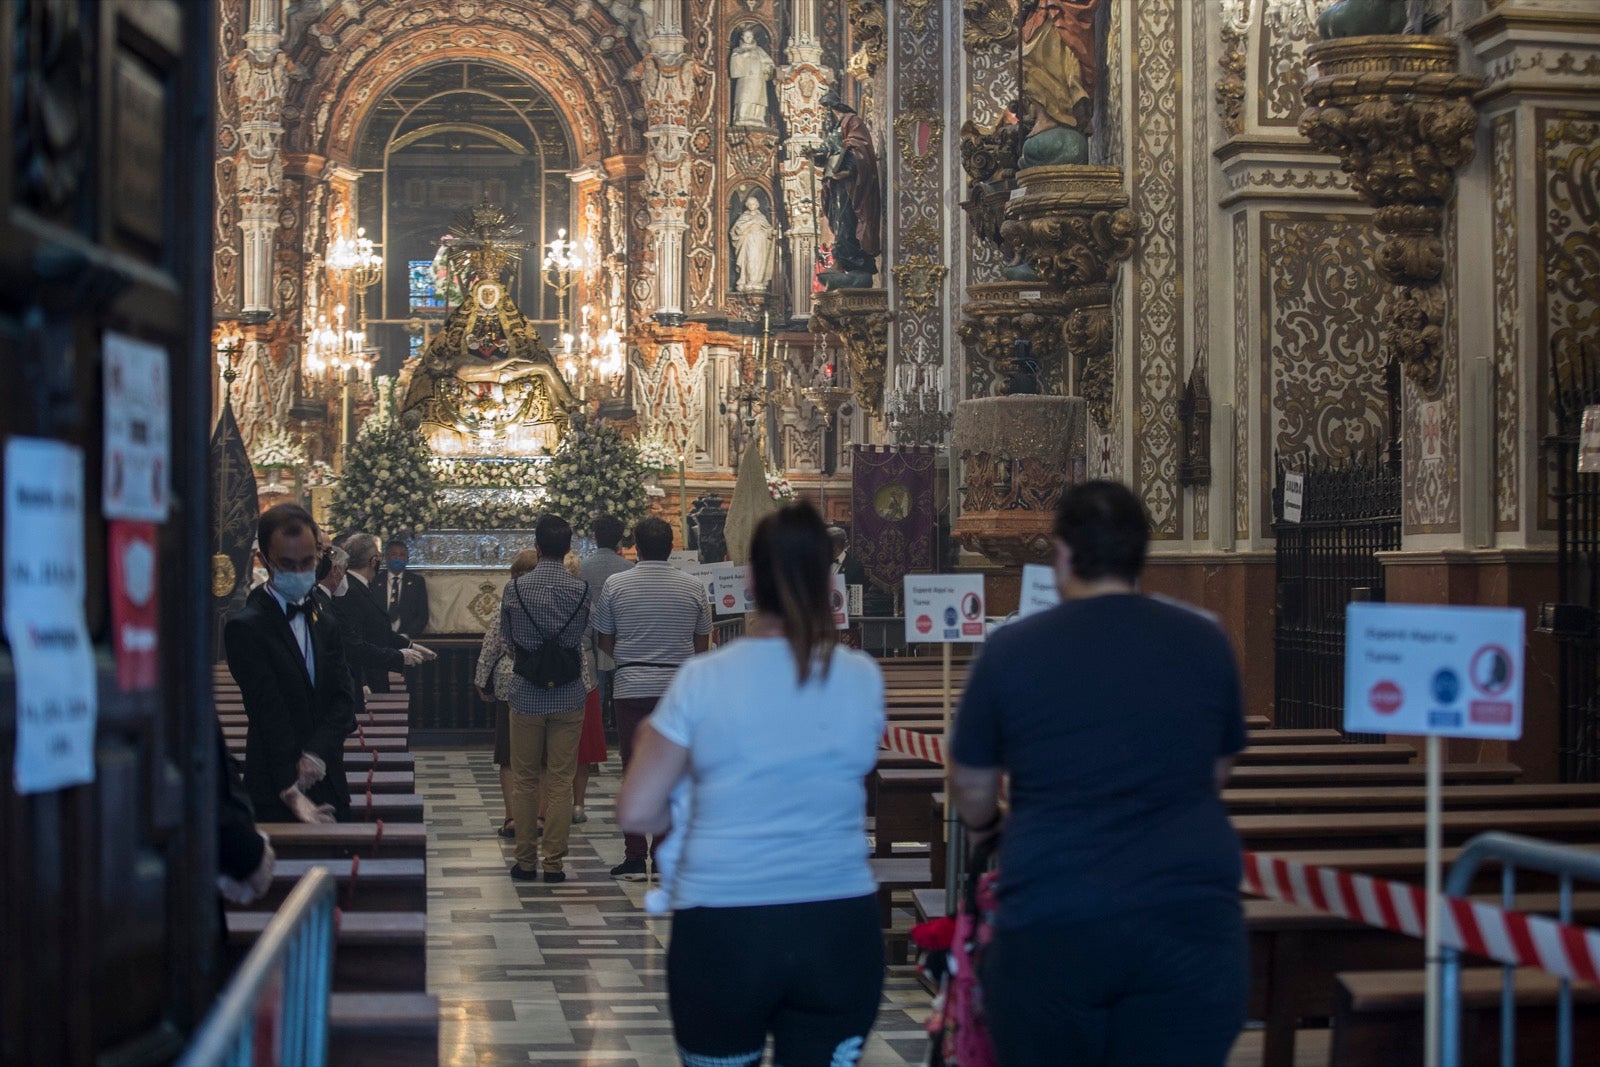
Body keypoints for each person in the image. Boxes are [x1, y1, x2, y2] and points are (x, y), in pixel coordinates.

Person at [949, 480, 1248, 1067]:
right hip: (1187, 914)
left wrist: (988, 831)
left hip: (1055, 913)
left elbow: (972, 783)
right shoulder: (1205, 638)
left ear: (1062, 552)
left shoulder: (1013, 648)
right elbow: (1217, 768)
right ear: (1142, 552)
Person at [617, 502, 885, 1066]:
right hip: (836, 923)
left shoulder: (704, 678)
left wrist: (674, 787)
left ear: (750, 579)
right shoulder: (862, 677)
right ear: (828, 581)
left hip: (724, 923)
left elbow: (638, 811)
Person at [592, 516, 711, 880]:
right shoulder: (693, 586)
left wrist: (630, 656)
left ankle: (633, 855)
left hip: (631, 686)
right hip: (677, 689)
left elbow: (604, 639)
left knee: (633, 769)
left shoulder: (616, 584)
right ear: (672, 548)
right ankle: (663, 856)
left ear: (636, 549)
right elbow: (701, 642)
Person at [224, 503, 358, 823]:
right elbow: (268, 710)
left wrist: (316, 754)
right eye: (287, 564)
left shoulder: (325, 617)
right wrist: (291, 786)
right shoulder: (246, 627)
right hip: (274, 787)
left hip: (328, 777)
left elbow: (344, 698)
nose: (299, 573)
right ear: (264, 560)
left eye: (307, 563)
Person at [500, 515, 590, 883]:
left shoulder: (515, 589)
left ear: (536, 547)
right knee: (560, 779)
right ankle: (553, 862)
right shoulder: (581, 590)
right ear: (568, 549)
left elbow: (507, 641)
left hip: (526, 692)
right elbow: (582, 634)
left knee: (524, 778)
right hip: (569, 692)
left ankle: (525, 860)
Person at [474, 548, 540, 839]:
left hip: (510, 682)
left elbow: (491, 646)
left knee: (510, 754)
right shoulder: (557, 597)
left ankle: (513, 817)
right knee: (544, 757)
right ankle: (541, 817)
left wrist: (480, 680)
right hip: (547, 682)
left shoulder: (510, 601)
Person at [340, 533, 430, 694]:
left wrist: (409, 645)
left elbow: (376, 630)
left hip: (374, 672)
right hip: (365, 678)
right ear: (374, 561)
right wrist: (397, 656)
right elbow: (354, 644)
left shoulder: (358, 587)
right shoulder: (351, 590)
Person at [815, 89, 882, 281]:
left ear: (831, 107)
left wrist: (848, 166)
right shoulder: (834, 128)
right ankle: (840, 261)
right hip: (836, 184)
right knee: (838, 221)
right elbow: (826, 150)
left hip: (851, 183)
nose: (822, 114)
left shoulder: (852, 121)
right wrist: (814, 153)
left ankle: (849, 262)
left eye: (824, 110)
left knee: (847, 221)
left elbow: (859, 145)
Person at [579, 514, 634, 728]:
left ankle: (596, 731)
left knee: (595, 687)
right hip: (622, 637)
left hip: (591, 636)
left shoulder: (583, 568)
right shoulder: (629, 569)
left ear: (595, 537)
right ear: (620, 539)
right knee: (622, 688)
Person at [729, 27, 776, 127]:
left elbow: (769, 63)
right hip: (745, 79)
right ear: (742, 38)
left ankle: (757, 116)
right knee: (744, 96)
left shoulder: (759, 50)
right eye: (746, 36)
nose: (748, 38)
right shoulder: (738, 50)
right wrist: (745, 55)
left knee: (757, 98)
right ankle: (742, 116)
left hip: (758, 79)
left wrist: (769, 69)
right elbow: (734, 62)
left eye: (749, 36)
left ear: (753, 38)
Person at [382, 537, 430, 636]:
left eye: (402, 555)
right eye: (394, 554)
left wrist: (408, 635)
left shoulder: (417, 582)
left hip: (407, 638)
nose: (398, 558)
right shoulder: (375, 580)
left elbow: (422, 616)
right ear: (386, 557)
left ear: (407, 559)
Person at [731, 195, 776, 294]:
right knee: (750, 260)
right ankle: (749, 281)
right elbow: (736, 230)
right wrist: (751, 222)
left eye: (754, 204)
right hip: (749, 241)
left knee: (759, 261)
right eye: (750, 204)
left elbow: (768, 229)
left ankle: (758, 282)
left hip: (760, 241)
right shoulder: (744, 217)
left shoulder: (761, 217)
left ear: (757, 205)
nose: (752, 206)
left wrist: (772, 232)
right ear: (747, 205)